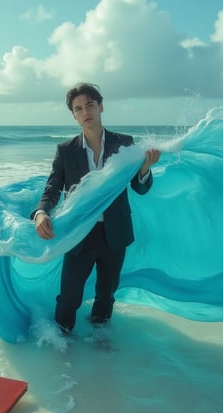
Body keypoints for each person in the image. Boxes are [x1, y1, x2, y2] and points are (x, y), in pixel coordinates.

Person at [32, 83, 160, 333]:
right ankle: (62, 344)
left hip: (115, 232)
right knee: (69, 297)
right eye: (78, 108)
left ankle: (99, 343)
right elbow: (52, 188)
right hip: (79, 234)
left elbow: (140, 187)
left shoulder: (125, 144)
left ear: (101, 107)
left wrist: (144, 168)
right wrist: (40, 213)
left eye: (90, 105)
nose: (85, 111)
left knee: (106, 295)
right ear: (74, 115)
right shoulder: (66, 151)